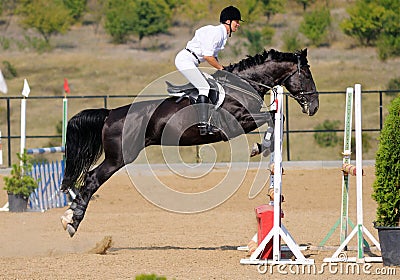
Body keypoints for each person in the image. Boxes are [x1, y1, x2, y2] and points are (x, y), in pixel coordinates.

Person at [175, 5, 242, 135]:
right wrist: (222, 68)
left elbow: (213, 56)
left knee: (211, 84)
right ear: (228, 21)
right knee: (204, 87)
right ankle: (203, 124)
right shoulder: (217, 33)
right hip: (185, 60)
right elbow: (207, 56)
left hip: (192, 61)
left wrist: (223, 69)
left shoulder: (222, 35)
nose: (238, 24)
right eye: (237, 21)